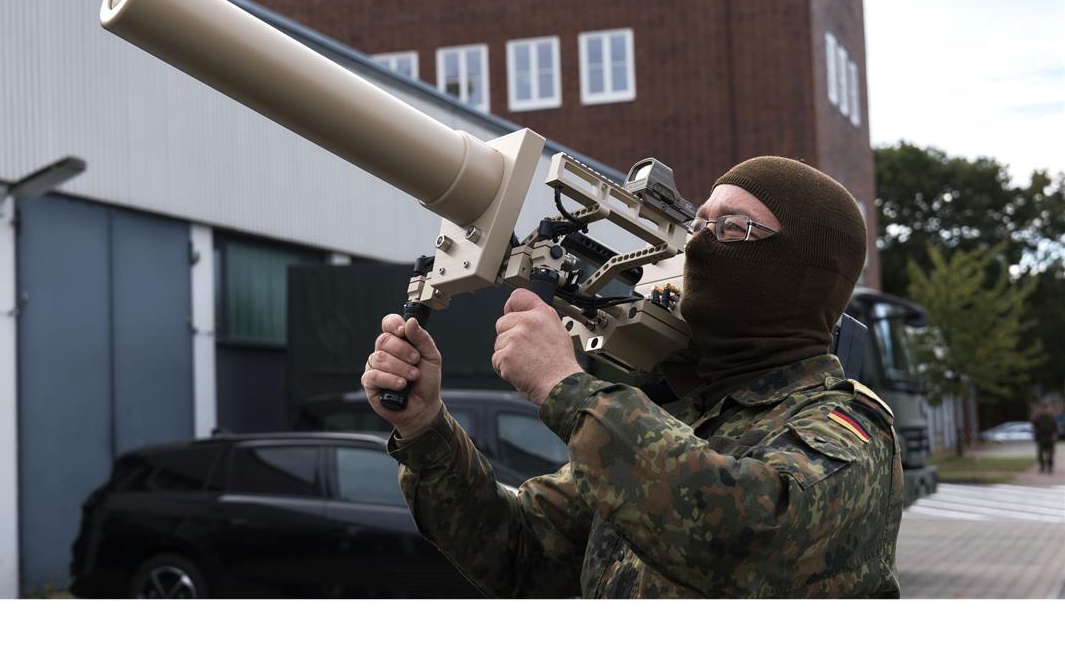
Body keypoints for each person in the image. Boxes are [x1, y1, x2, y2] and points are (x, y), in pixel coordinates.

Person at [362, 156, 903, 598]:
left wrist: (565, 387)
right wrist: (425, 427)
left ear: (804, 274)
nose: (698, 244)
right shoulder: (679, 417)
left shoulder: (847, 426)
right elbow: (522, 551)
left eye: (732, 228)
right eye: (699, 223)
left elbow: (748, 544)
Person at [1031, 406, 1058, 473]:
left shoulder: (1051, 418)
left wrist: (1054, 435)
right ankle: (1042, 466)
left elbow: (1055, 428)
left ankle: (1049, 467)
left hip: (1049, 437)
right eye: (1044, 409)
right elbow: (1034, 426)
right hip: (1041, 437)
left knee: (1050, 453)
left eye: (1046, 409)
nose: (1045, 411)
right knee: (1040, 453)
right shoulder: (1038, 418)